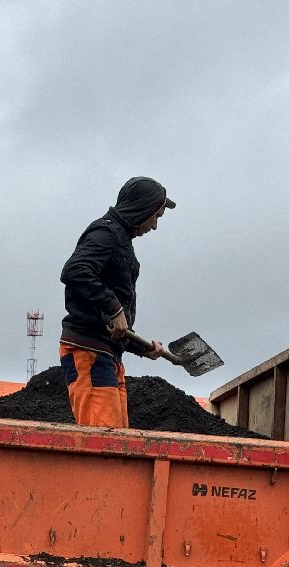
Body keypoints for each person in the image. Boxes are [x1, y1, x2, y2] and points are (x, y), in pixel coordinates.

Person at [59, 176, 176, 427]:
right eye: (156, 216)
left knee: (119, 439)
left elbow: (113, 322)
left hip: (107, 353)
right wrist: (114, 308)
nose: (155, 226)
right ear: (142, 208)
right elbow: (75, 270)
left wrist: (142, 348)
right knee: (103, 441)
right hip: (88, 351)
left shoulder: (122, 241)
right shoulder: (105, 233)